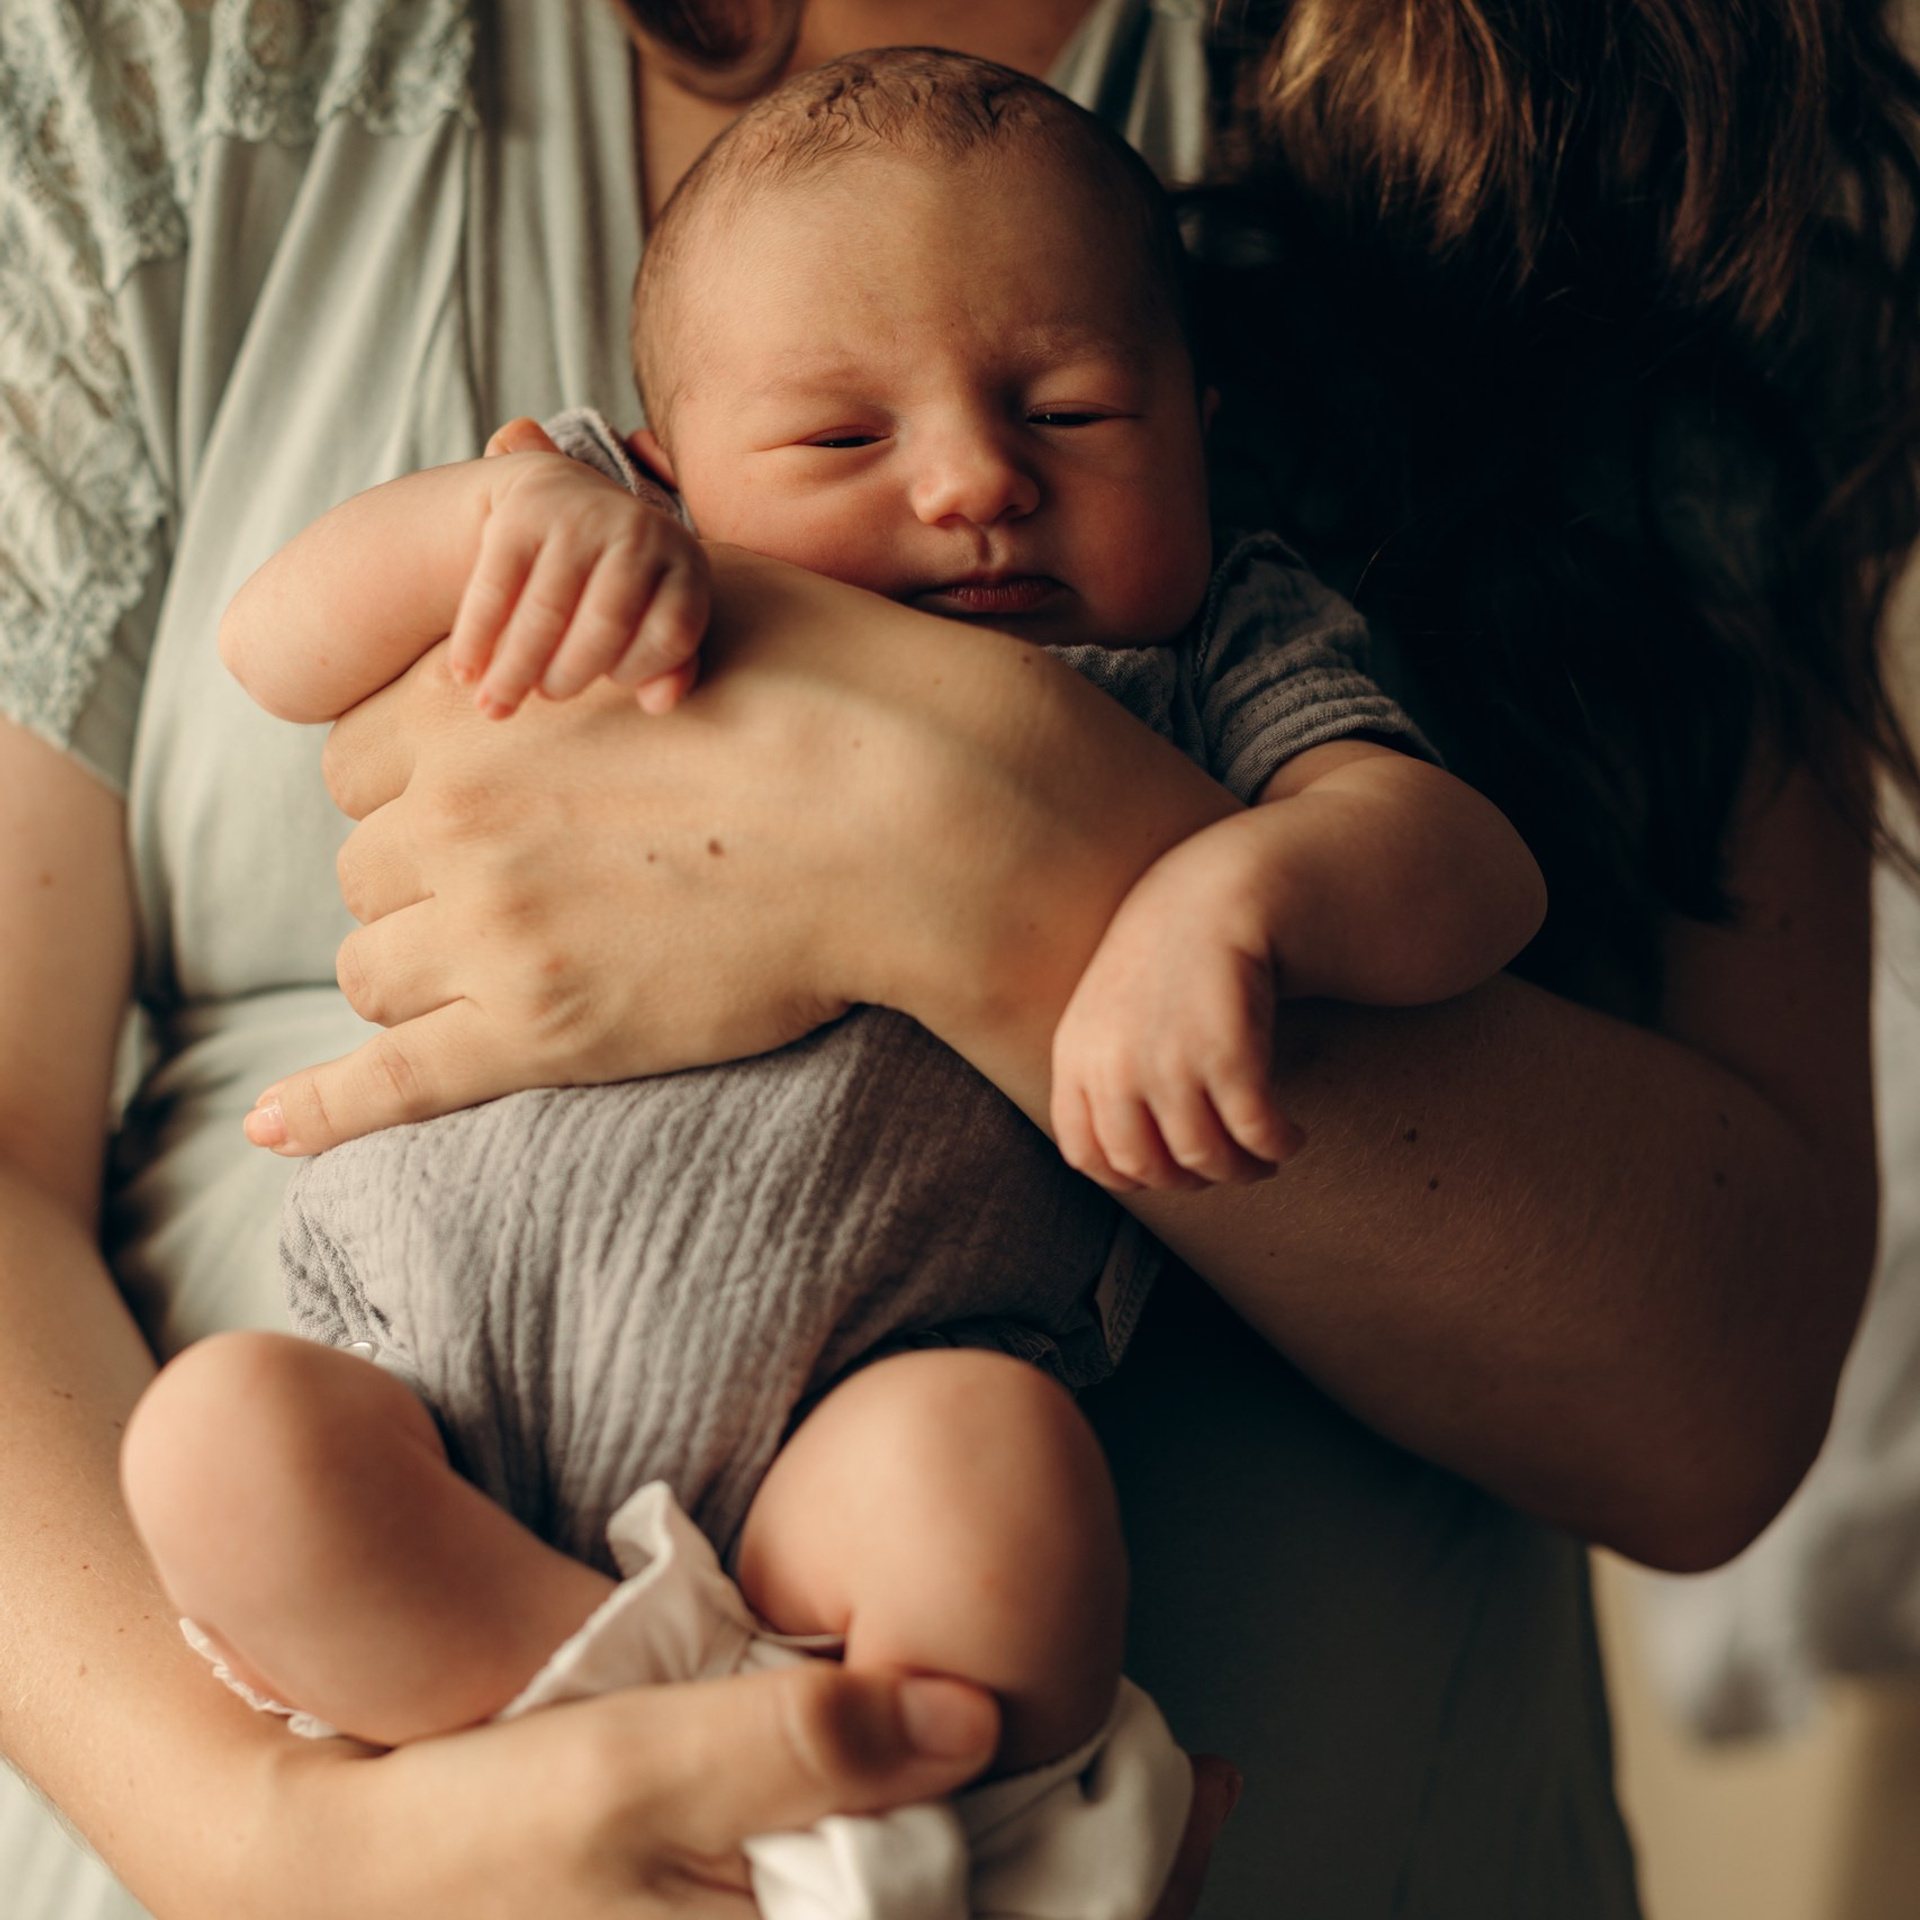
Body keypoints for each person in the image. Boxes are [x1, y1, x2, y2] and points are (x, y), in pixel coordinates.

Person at [2, 2, 1915, 1917]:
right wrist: (264, 1849)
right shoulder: (600, 522)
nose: (976, 484)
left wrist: (1175, 889)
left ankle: (875, 1820)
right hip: (423, 1394)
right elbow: (277, 644)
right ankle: (637, 1745)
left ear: (1197, 425)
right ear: (669, 462)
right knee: (228, 1457)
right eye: (842, 436)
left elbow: (1460, 879)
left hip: (889, 1386)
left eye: (1071, 414)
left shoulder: (1234, 625)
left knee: (994, 1494)